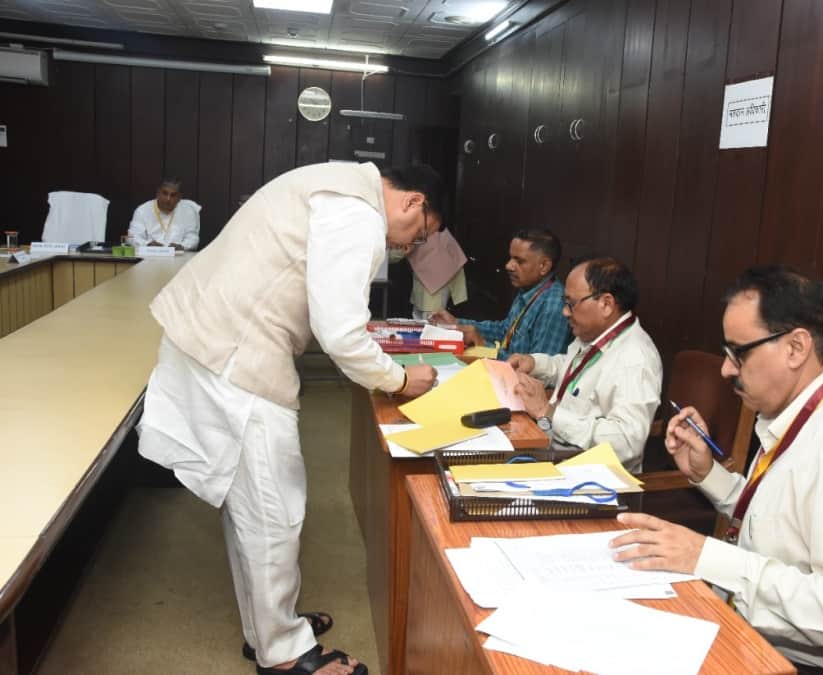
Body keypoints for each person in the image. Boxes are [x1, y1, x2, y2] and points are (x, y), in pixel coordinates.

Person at [136, 161, 443, 675]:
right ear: (414, 202)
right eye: (421, 234)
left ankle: (268, 628)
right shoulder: (358, 212)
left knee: (250, 506)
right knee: (274, 510)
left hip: (214, 343)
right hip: (237, 355)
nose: (410, 246)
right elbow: (341, 333)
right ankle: (282, 653)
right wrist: (399, 379)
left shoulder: (336, 184)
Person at [611, 265, 823, 674]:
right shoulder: (800, 416)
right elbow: (779, 527)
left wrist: (705, 556)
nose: (727, 369)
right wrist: (707, 473)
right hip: (776, 643)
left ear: (796, 348)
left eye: (738, 352)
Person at [508, 257, 662, 473]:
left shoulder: (634, 359)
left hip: (592, 478)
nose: (565, 312)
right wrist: (534, 363)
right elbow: (573, 368)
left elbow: (628, 442)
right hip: (554, 452)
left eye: (571, 304)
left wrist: (548, 412)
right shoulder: (595, 334)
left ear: (606, 304)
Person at [431, 228, 569, 359]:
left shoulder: (554, 306)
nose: (508, 266)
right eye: (511, 258)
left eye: (519, 261)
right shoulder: (529, 289)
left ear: (544, 266)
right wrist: (458, 323)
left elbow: (535, 371)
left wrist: (484, 347)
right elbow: (505, 331)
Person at [128, 177, 201, 251]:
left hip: (178, 256)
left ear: (179, 198)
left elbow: (193, 238)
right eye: (165, 193)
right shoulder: (143, 210)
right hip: (149, 255)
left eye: (173, 195)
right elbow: (132, 236)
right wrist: (147, 245)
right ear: (157, 193)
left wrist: (182, 246)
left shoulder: (188, 211)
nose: (168, 199)